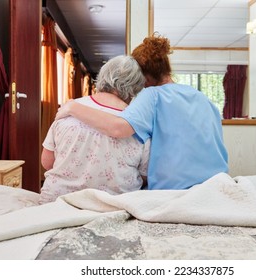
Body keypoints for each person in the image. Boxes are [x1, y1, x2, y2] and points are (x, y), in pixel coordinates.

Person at [56, 34, 228, 190]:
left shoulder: (152, 95)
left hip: (175, 190)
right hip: (216, 184)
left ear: (144, 77)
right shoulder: (201, 97)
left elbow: (118, 128)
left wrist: (73, 106)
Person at [40, 55, 150, 204]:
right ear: (136, 88)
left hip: (58, 202)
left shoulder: (67, 111)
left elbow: (47, 162)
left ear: (102, 77)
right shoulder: (138, 125)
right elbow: (144, 175)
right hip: (114, 206)